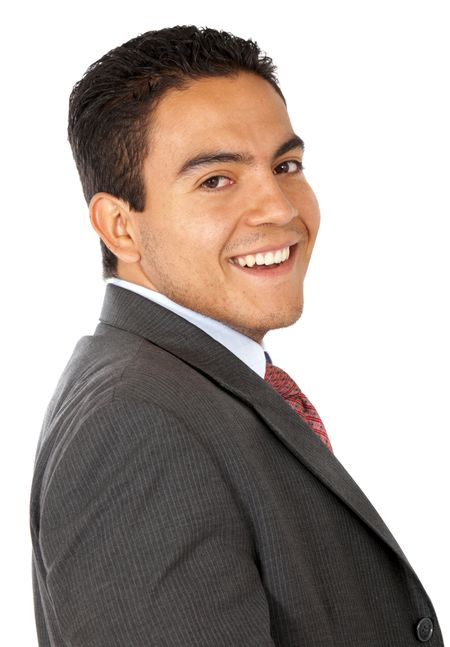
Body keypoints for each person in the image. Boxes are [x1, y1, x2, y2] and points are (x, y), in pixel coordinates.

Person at [29, 25, 444, 646]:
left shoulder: (182, 384)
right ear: (119, 226)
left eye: (286, 165)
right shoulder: (137, 423)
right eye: (216, 180)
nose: (280, 208)